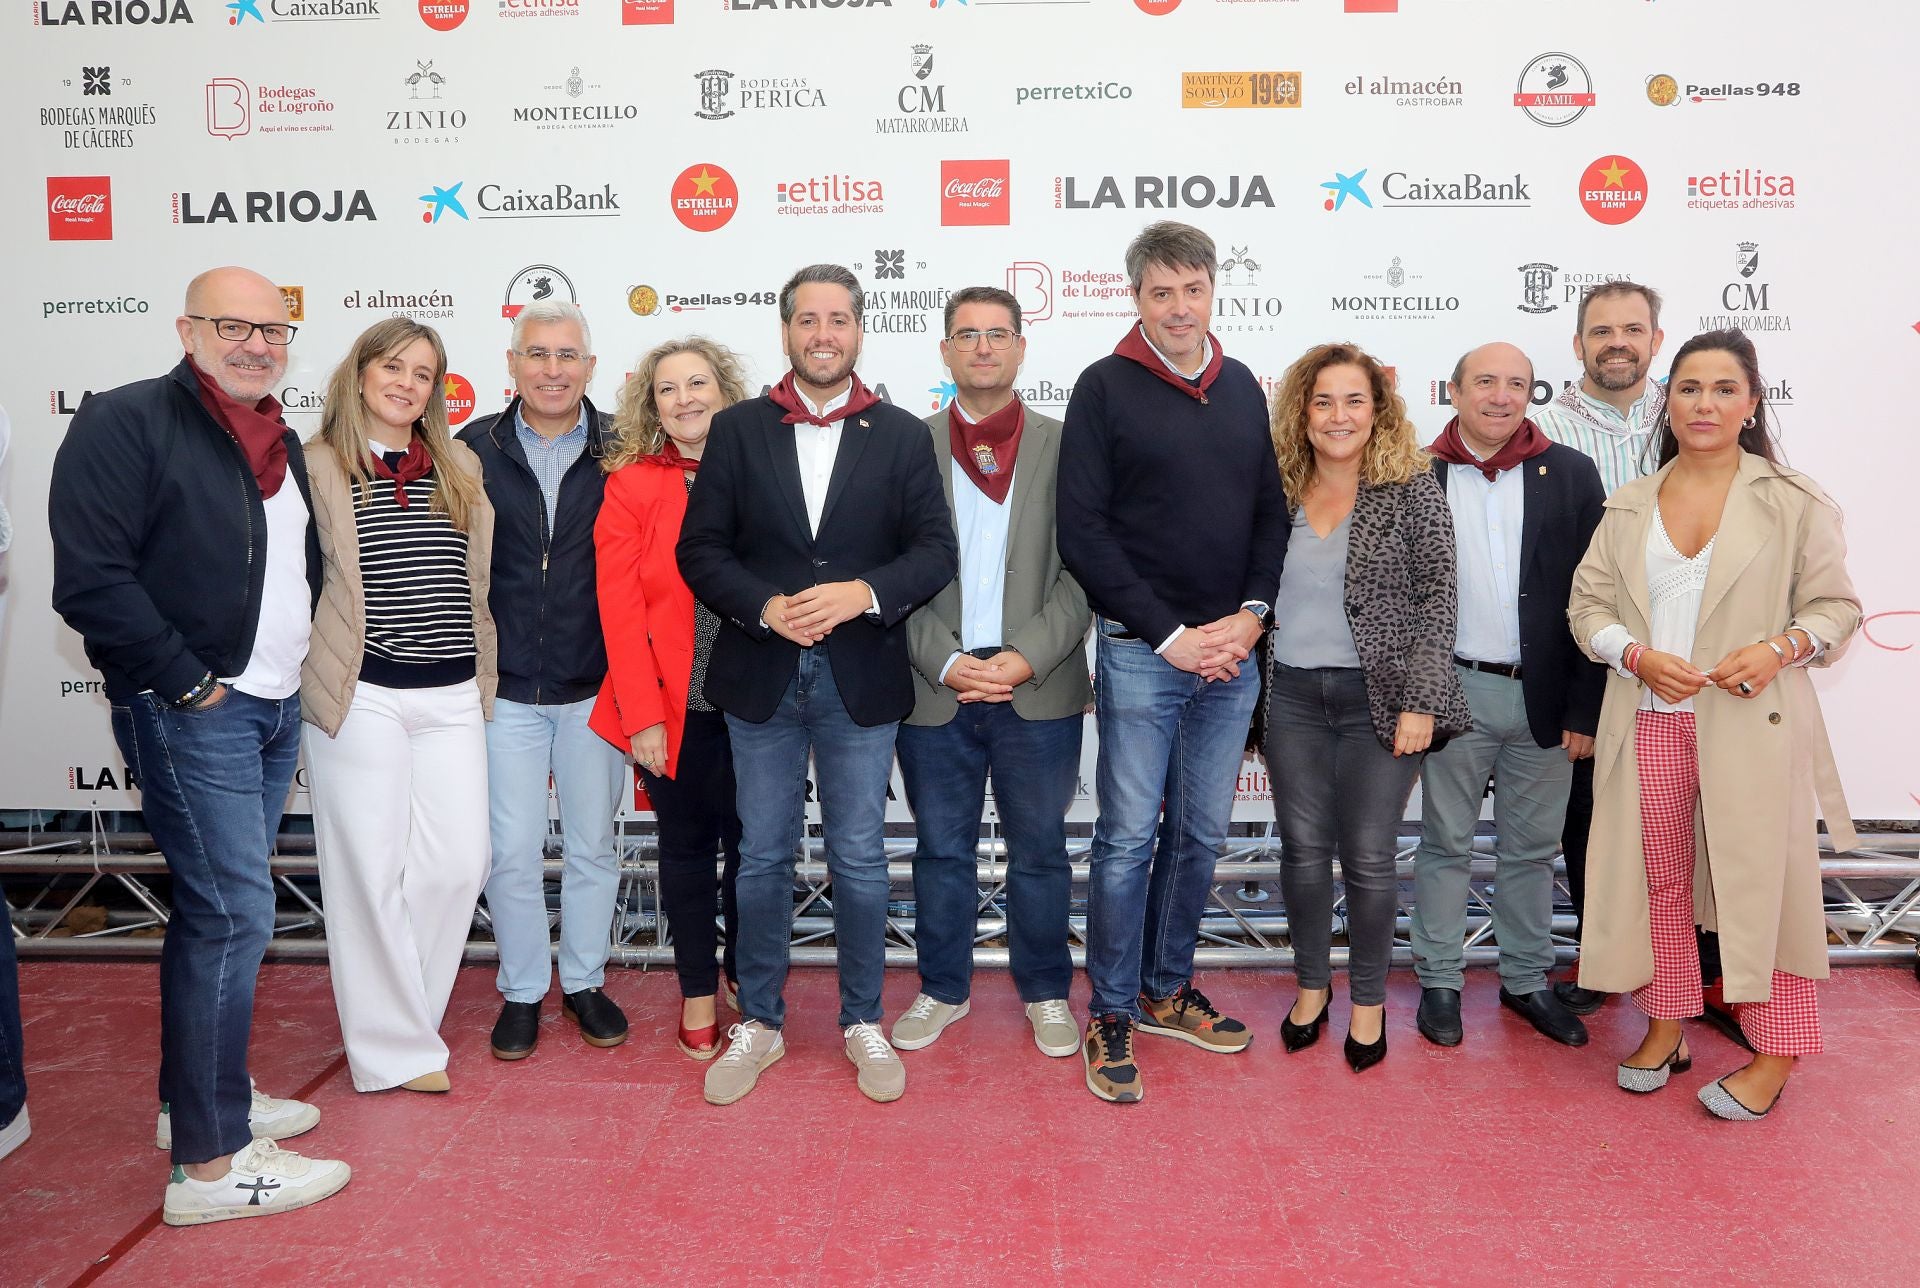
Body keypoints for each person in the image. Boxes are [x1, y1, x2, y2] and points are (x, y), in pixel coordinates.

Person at [49, 267, 348, 1223]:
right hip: (195, 708)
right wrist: (187, 679)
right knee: (231, 918)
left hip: (266, 709)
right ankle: (214, 1169)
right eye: (234, 325)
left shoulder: (277, 440)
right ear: (187, 328)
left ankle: (194, 1104)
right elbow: (91, 579)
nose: (258, 343)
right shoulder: (126, 421)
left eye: (273, 328)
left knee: (214, 915)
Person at [677, 265, 957, 1106]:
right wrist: (764, 608)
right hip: (760, 675)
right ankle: (757, 1022)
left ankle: (861, 1018)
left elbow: (934, 551)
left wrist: (862, 594)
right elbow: (702, 553)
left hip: (859, 676)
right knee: (760, 857)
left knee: (861, 858)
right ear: (787, 330)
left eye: (838, 318)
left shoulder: (904, 435)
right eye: (808, 319)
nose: (822, 333)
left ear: (860, 331)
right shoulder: (736, 429)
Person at [1569, 329, 1859, 1120]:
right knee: (1660, 884)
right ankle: (1668, 1022)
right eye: (1689, 388)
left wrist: (1781, 647)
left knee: (1759, 892)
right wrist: (1631, 654)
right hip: (1653, 722)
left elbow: (1837, 608)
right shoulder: (1629, 502)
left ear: (1751, 403)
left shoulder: (1794, 501)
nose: (1704, 404)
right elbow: (1585, 607)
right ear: (1670, 402)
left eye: (1724, 389)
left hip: (1749, 726)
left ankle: (1777, 1053)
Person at [1057, 222, 1287, 1103]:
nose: (1179, 307)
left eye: (1193, 289)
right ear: (1136, 298)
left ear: (1213, 291)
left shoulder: (1238, 389)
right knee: (1124, 843)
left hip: (1232, 655)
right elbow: (1083, 533)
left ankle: (1164, 988)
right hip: (1143, 657)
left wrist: (1250, 619)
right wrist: (1168, 636)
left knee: (1198, 838)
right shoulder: (1104, 387)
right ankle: (1111, 1010)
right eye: (1162, 292)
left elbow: (1271, 511)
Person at [890, 287, 1092, 1061]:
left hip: (1035, 686)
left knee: (1040, 849)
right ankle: (943, 989)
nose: (982, 348)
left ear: (1020, 348)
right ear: (943, 349)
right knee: (940, 850)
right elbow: (885, 571)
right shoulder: (903, 446)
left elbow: (1086, 571)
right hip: (933, 684)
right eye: (966, 335)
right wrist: (942, 658)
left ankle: (1046, 993)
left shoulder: (1067, 443)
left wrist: (1027, 654)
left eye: (997, 334)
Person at [300, 318, 496, 1095]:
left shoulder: (460, 464)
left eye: (424, 372)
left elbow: (473, 582)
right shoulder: (313, 464)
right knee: (368, 872)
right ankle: (392, 1052)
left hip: (452, 692)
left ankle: (400, 1018)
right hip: (362, 692)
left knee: (458, 864)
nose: (407, 383)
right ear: (359, 372)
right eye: (393, 366)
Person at [1260, 342, 1467, 1074]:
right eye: (1323, 401)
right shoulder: (1277, 487)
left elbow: (1440, 599)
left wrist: (1422, 700)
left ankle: (1371, 1001)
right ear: (1302, 412)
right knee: (1304, 853)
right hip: (1289, 696)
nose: (1338, 415)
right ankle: (1312, 989)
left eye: (1354, 400)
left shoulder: (1411, 488)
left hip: (1377, 700)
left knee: (1371, 858)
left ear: (1378, 410)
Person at [1410, 343, 1605, 1050]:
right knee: (1445, 843)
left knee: (1531, 849)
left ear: (1532, 393)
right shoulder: (1415, 473)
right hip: (1453, 690)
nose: (1500, 396)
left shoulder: (1571, 474)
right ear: (1454, 390)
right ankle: (1439, 981)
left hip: (1547, 698)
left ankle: (1526, 982)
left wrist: (1586, 709)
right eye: (1485, 382)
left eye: (1515, 384)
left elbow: (1598, 599)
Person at [460, 301, 628, 1061]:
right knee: (511, 849)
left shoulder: (627, 449)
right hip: (504, 690)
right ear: (513, 363)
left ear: (591, 367)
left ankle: (585, 983)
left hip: (596, 685)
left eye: (567, 355)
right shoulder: (469, 449)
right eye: (537, 354)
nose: (552, 369)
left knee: (594, 845)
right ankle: (523, 990)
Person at [589, 337, 753, 1060]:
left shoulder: (766, 472)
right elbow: (618, 611)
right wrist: (643, 718)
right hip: (673, 709)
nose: (685, 398)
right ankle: (696, 991)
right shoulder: (630, 487)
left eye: (698, 383)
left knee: (759, 854)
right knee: (686, 855)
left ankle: (749, 976)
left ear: (725, 390)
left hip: (759, 704)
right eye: (667, 389)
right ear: (649, 405)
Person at [1532, 280, 1666, 1016]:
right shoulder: (1543, 433)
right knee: (1588, 818)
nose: (1618, 341)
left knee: (1696, 816)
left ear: (1656, 338)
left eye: (1632, 329)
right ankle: (1601, 960)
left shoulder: (1695, 416)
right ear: (1578, 344)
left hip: (1690, 655)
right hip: (1586, 655)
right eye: (1601, 330)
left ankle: (1705, 969)